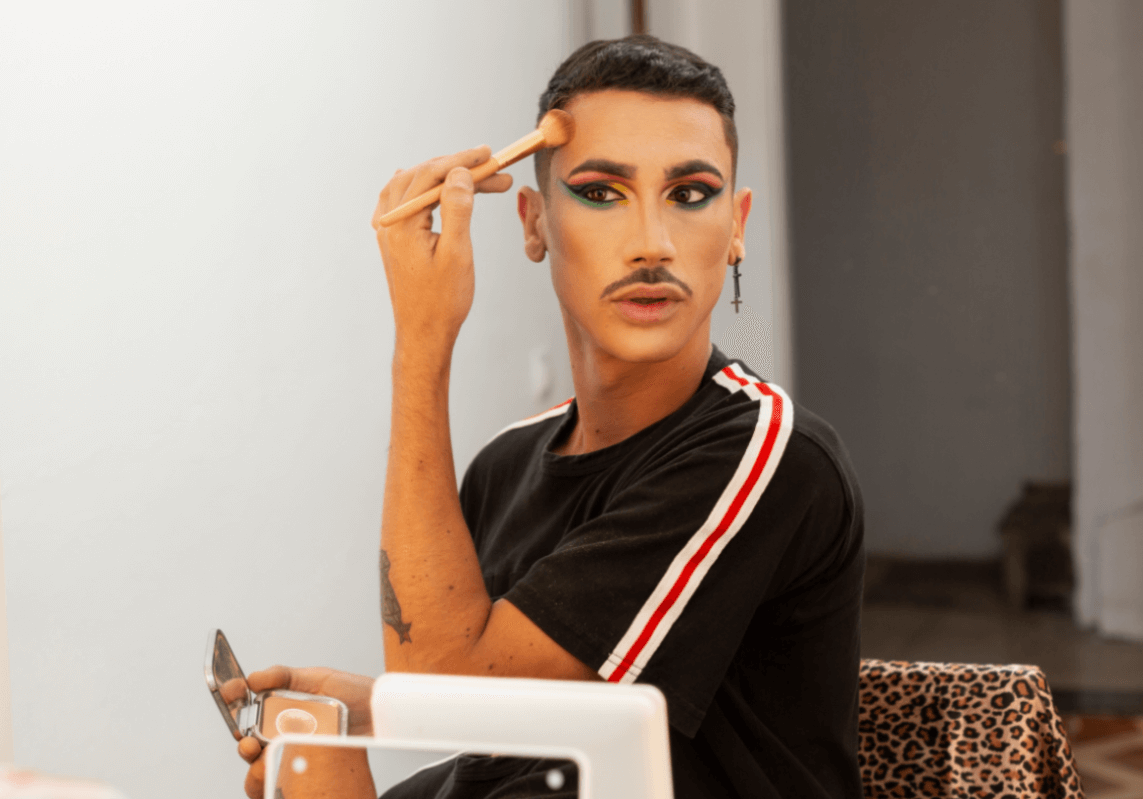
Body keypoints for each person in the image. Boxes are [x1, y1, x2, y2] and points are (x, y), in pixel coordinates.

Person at [237, 35, 865, 799]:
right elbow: (497, 720)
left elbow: (450, 686)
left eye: (690, 194)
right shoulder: (510, 462)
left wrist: (422, 342)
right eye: (601, 192)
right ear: (533, 224)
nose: (652, 244)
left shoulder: (764, 455)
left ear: (736, 226)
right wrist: (361, 709)